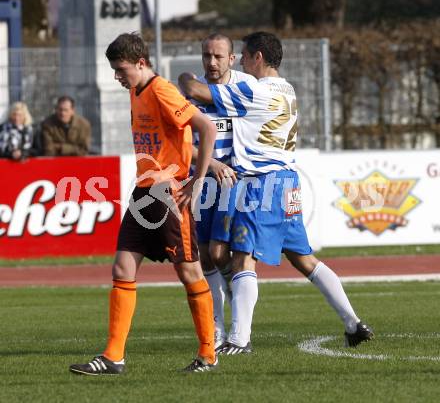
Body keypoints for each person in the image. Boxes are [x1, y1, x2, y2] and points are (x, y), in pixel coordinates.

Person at [179, 31, 373, 355]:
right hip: (288, 182)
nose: (239, 60)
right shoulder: (288, 89)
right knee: (304, 259)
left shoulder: (254, 90)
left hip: (261, 183)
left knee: (243, 259)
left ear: (257, 57)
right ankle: (353, 324)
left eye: (243, 54)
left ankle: (239, 339)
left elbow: (194, 89)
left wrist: (185, 76)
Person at [69, 32, 217, 375]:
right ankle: (113, 356)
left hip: (167, 193)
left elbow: (206, 128)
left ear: (140, 63)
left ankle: (208, 354)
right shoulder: (137, 92)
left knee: (189, 271)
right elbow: (176, 138)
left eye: (121, 69)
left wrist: (198, 178)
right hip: (143, 193)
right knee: (122, 268)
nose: (117, 76)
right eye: (114, 70)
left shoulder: (162, 90)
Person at [187, 33, 256, 350]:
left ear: (232, 59)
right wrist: (211, 164)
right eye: (206, 56)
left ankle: (236, 303)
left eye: (218, 56)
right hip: (202, 180)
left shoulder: (245, 88)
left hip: (234, 182)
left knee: (218, 252)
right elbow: (181, 145)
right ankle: (215, 327)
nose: (211, 62)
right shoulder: (190, 96)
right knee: (203, 257)